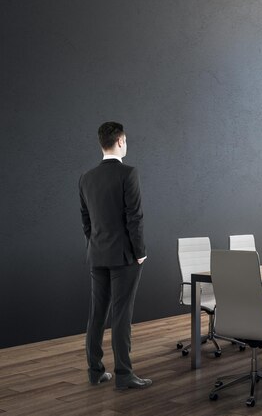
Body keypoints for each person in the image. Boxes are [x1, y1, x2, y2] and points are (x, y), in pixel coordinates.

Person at [79, 121, 151, 390]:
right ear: (120, 141)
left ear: (102, 143)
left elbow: (86, 221)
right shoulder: (128, 173)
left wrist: (95, 245)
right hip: (124, 256)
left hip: (96, 254)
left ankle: (95, 371)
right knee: (122, 314)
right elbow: (135, 217)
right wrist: (140, 252)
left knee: (97, 313)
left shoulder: (86, 177)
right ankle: (123, 374)